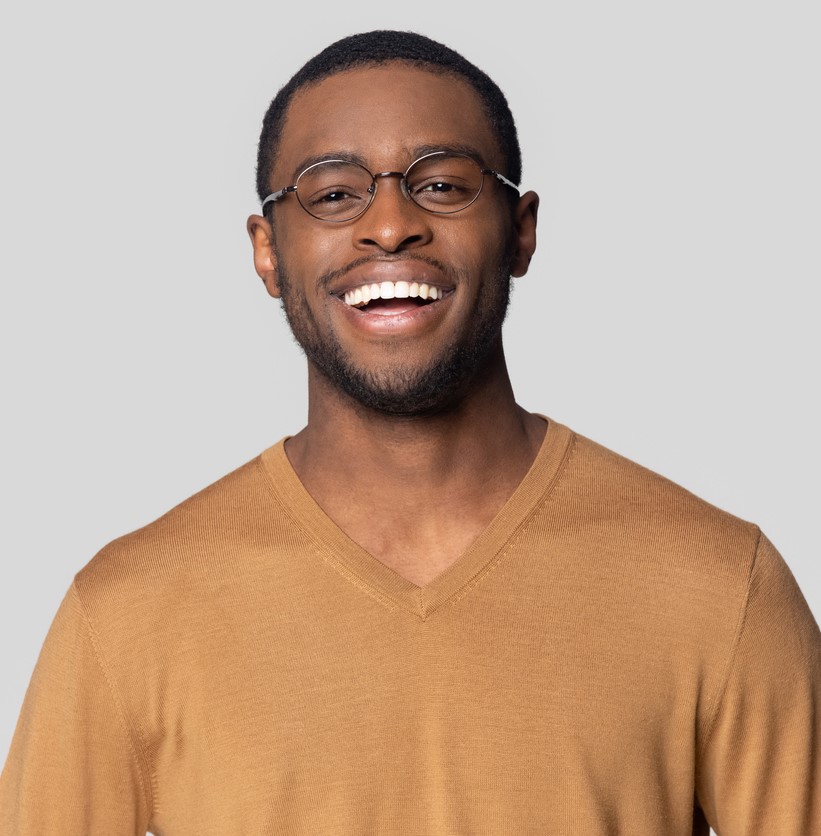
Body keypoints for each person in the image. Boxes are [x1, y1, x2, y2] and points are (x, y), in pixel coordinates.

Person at [1, 28, 818, 835]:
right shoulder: (127, 610)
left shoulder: (716, 582)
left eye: (441, 186)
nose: (389, 225)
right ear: (267, 252)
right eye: (332, 193)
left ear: (521, 229)